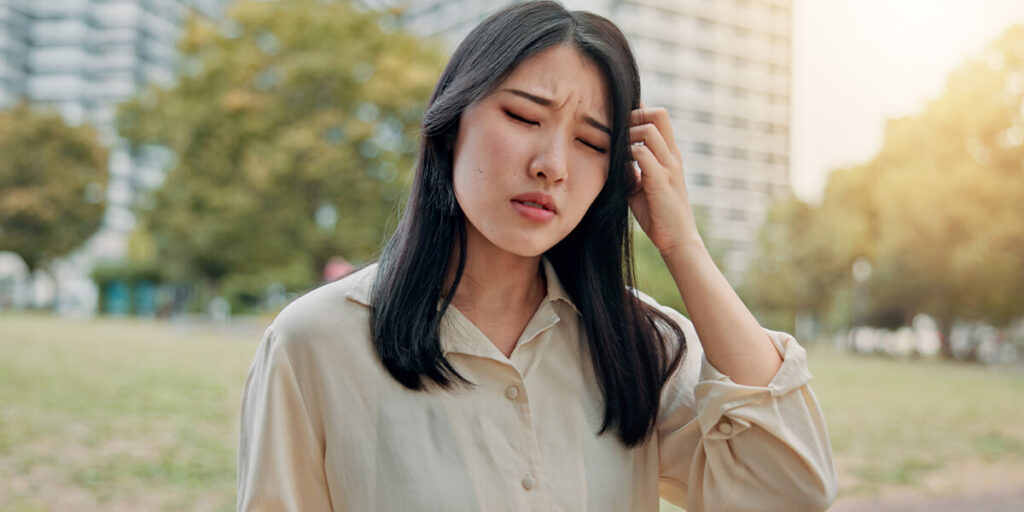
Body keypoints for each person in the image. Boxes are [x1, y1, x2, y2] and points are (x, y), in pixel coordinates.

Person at [236, 2, 838, 511]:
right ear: (450, 126)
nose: (551, 163)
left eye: (590, 142)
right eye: (524, 116)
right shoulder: (313, 344)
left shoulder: (636, 345)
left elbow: (791, 490)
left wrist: (683, 246)